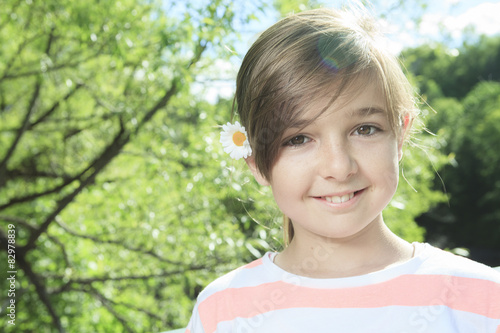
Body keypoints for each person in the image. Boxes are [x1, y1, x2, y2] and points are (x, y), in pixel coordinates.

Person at [185, 5, 500, 333]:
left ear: (400, 135)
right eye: (299, 139)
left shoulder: (482, 302)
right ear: (256, 163)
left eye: (365, 129)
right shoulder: (222, 311)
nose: (339, 167)